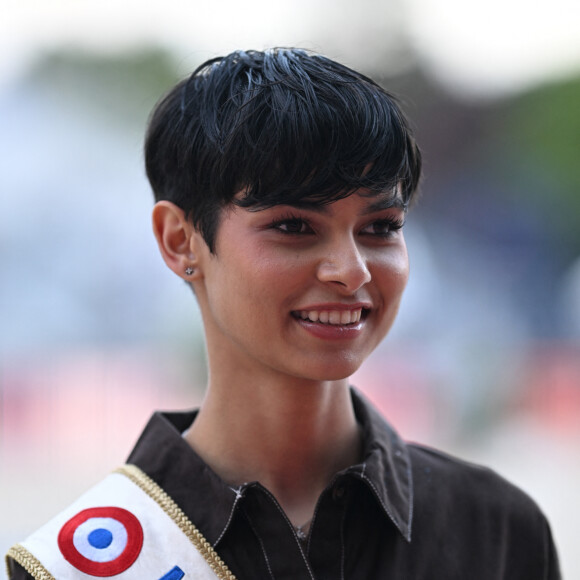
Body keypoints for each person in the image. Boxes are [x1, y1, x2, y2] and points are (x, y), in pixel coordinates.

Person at [6, 48, 560, 579]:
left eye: (381, 227)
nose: (352, 270)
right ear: (181, 241)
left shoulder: (496, 530)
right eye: (295, 226)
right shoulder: (83, 564)